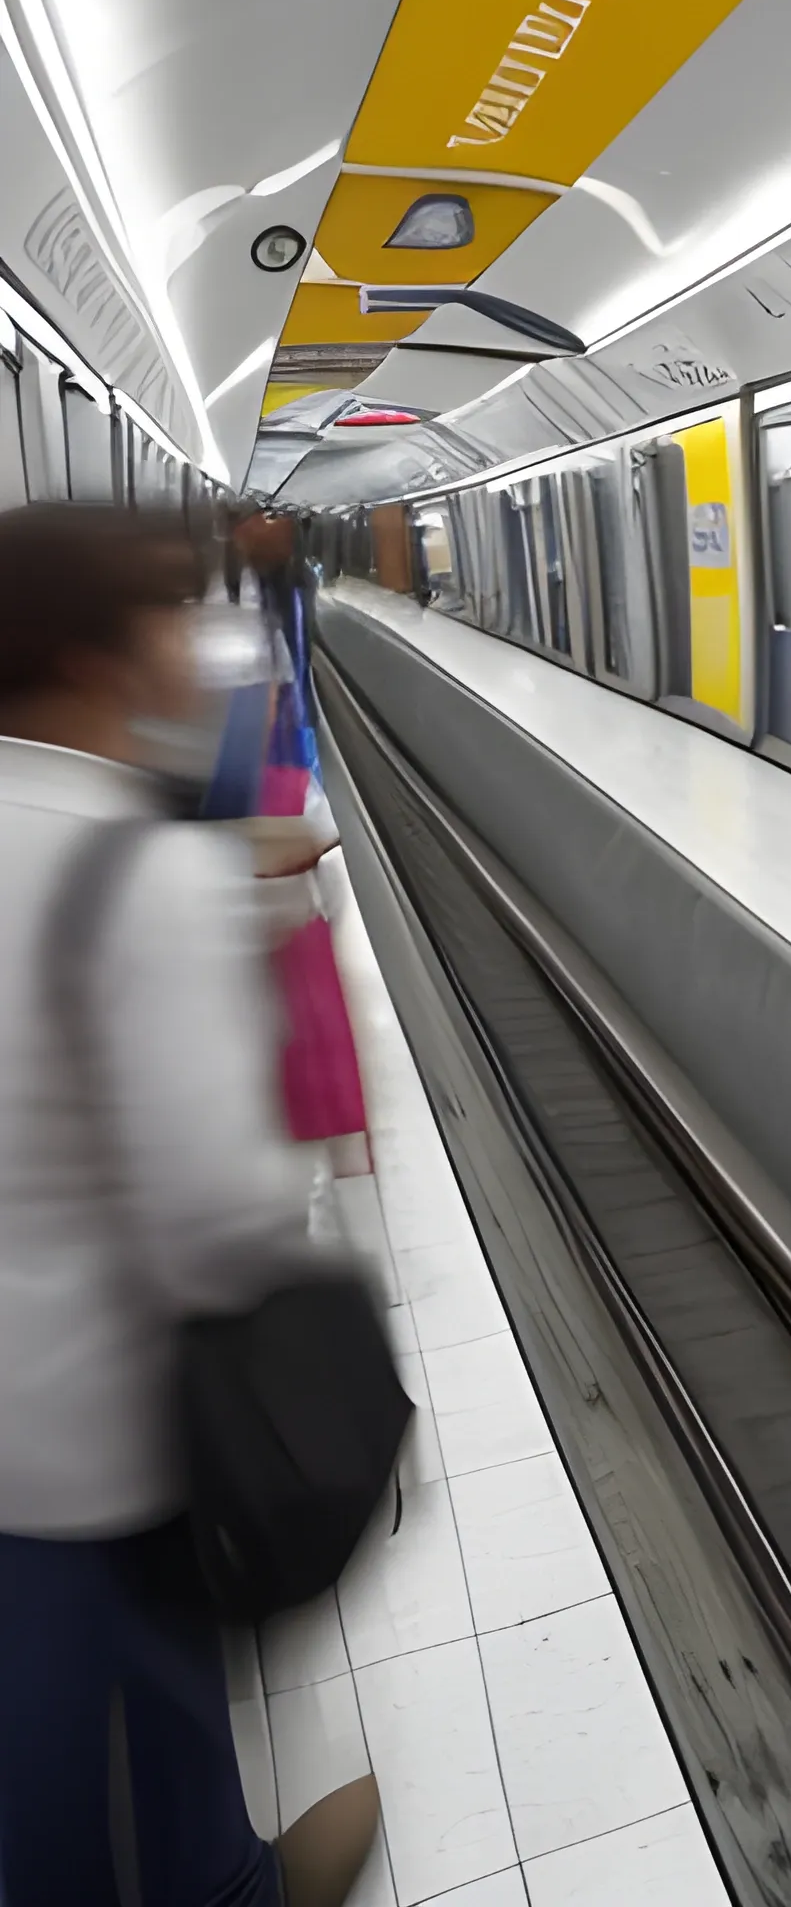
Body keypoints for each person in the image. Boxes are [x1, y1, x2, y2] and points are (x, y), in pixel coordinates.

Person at [0, 503, 377, 1906]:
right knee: (136, 1700)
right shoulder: (128, 865)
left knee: (51, 1736)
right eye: (167, 617)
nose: (192, 646)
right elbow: (217, 1208)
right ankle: (232, 1887)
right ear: (96, 659)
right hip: (102, 1421)